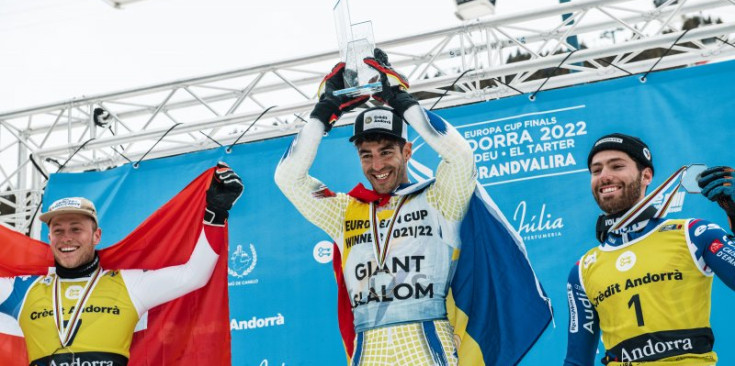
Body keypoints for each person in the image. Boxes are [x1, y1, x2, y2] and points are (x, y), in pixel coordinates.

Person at [275, 50, 476, 365]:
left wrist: (400, 100)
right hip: (369, 351)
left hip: (426, 347)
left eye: (386, 151)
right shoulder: (344, 211)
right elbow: (288, 178)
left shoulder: (439, 200)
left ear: (407, 151)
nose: (377, 165)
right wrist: (323, 112)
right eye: (366, 154)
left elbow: (462, 157)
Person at [0, 163, 243, 366]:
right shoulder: (24, 290)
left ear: (96, 236)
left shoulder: (129, 284)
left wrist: (216, 213)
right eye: (58, 231)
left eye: (76, 229)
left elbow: (194, 275)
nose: (67, 238)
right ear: (50, 238)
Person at [564, 134, 735, 366]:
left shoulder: (694, 233)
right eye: (596, 170)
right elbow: (577, 361)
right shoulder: (583, 269)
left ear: (646, 175)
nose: (604, 176)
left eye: (617, 166)